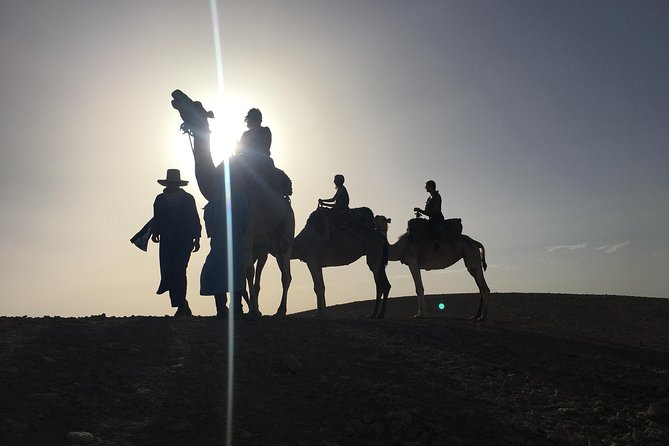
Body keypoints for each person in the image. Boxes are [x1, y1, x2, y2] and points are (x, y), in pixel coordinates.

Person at [151, 169, 202, 316]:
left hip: (183, 240)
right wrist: (155, 232)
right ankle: (182, 303)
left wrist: (197, 237)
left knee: (179, 270)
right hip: (167, 240)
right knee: (169, 271)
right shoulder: (160, 199)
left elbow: (194, 218)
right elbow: (157, 218)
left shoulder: (187, 199)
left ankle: (181, 305)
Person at [413, 180, 444, 248]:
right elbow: (427, 212)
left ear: (430, 187)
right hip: (431, 218)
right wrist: (420, 212)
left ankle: (436, 245)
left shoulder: (436, 196)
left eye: (426, 186)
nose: (425, 187)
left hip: (436, 219)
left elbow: (436, 210)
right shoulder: (429, 198)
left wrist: (420, 210)